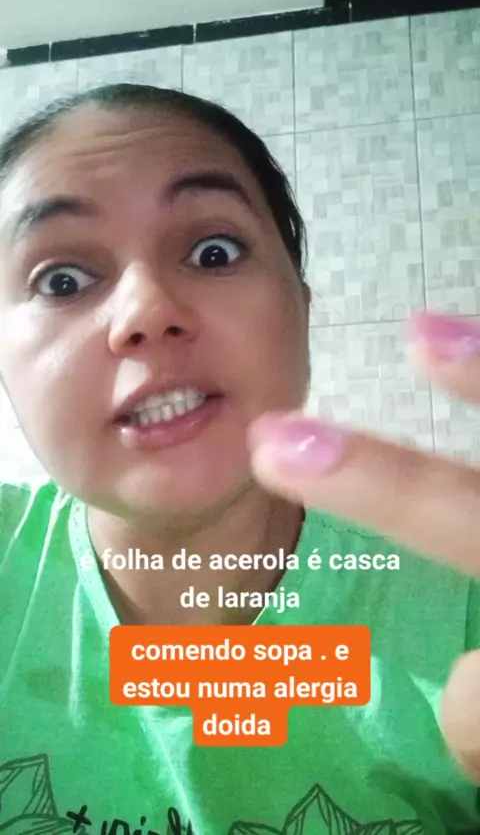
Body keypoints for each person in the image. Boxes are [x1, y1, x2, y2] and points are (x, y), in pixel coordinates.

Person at [0, 82, 479, 835]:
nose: (146, 310)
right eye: (62, 280)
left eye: (213, 251)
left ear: (302, 308)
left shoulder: (460, 602)